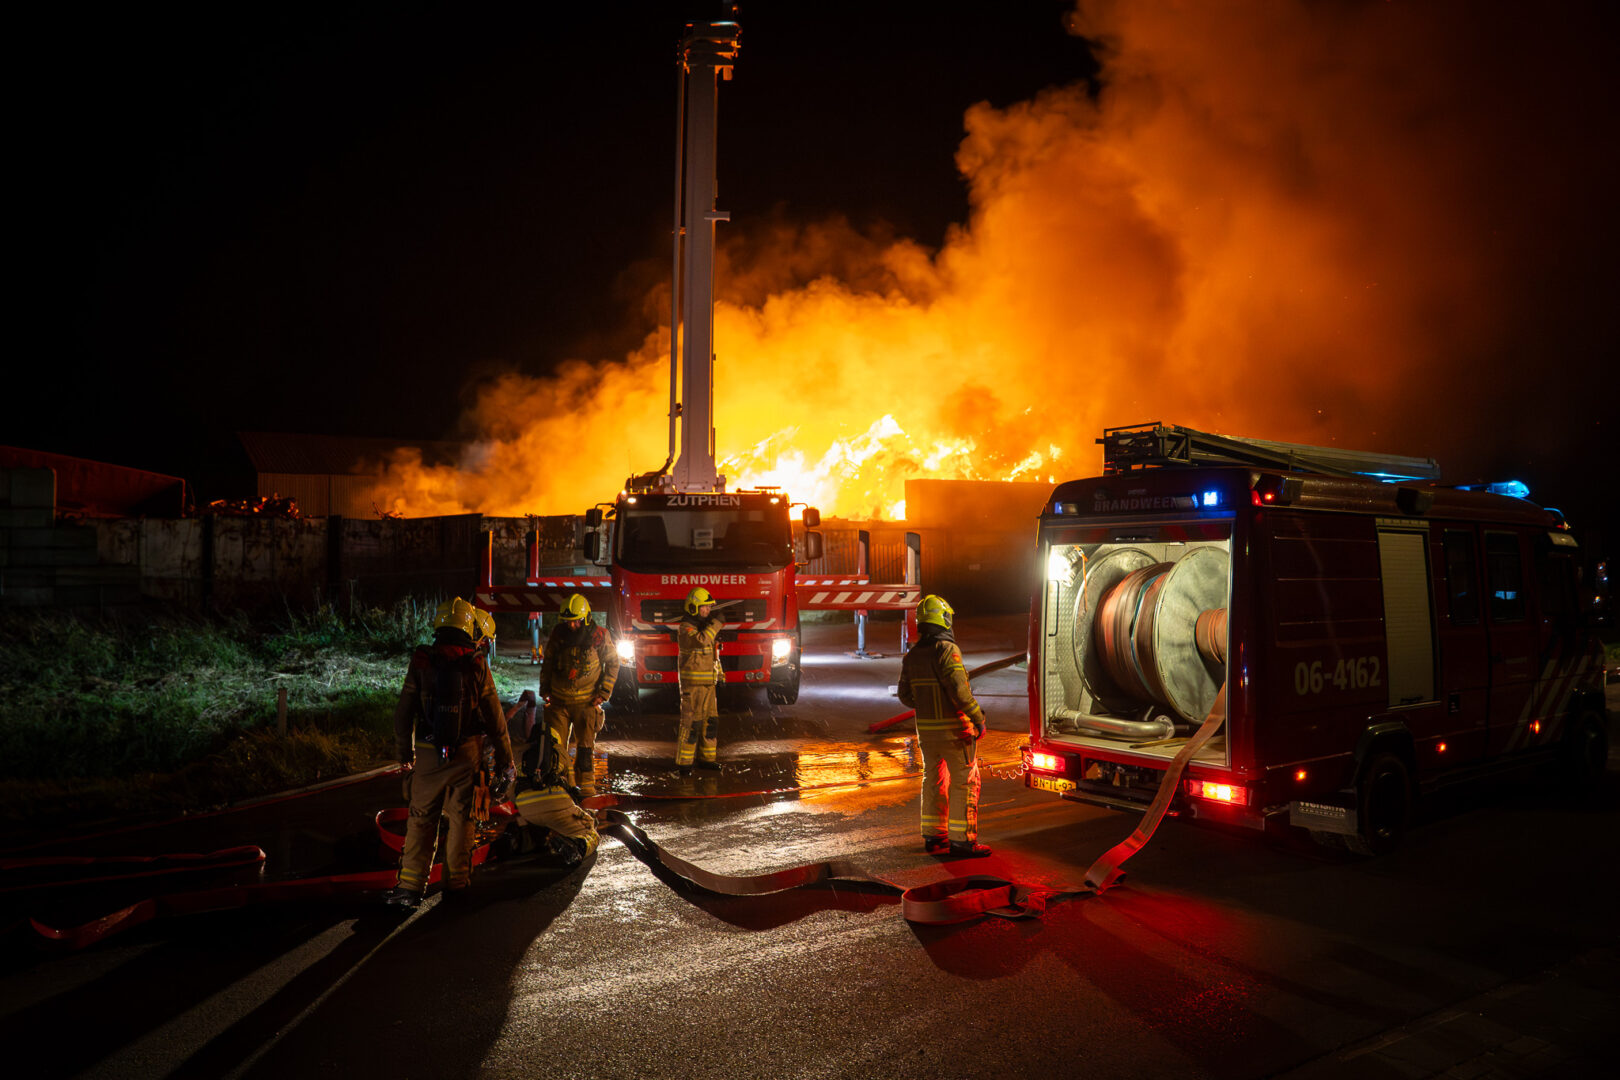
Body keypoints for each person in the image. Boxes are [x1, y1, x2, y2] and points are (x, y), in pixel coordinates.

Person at [384, 596, 516, 906]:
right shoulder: (476, 663)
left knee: (421, 817)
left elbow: (403, 713)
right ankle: (457, 882)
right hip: (466, 754)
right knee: (462, 818)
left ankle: (410, 887)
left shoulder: (422, 661)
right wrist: (506, 761)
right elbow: (496, 720)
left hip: (427, 752)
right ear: (468, 628)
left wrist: (404, 753)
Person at [897, 594, 990, 858]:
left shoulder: (912, 656)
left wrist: (927, 704)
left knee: (933, 780)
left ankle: (934, 836)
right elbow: (960, 692)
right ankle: (963, 841)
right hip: (954, 731)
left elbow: (905, 696)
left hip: (926, 733)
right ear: (944, 619)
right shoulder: (947, 650)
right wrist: (978, 718)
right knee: (964, 782)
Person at [539, 593, 619, 796]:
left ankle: (586, 790)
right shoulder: (559, 634)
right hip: (558, 703)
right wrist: (545, 689)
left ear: (586, 618)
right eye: (568, 621)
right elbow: (548, 662)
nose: (572, 625)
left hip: (586, 704)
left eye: (576, 621)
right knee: (556, 749)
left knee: (585, 750)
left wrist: (604, 692)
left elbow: (613, 663)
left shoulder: (599, 636)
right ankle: (560, 788)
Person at [511, 721, 600, 869]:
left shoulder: (519, 754)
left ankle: (534, 840)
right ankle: (575, 847)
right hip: (556, 806)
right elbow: (572, 788)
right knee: (590, 831)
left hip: (526, 811)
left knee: (539, 822)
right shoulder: (560, 751)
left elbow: (511, 793)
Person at [676, 586, 725, 773]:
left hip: (708, 685)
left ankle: (707, 759)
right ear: (693, 607)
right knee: (691, 724)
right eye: (704, 607)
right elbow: (701, 640)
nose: (708, 610)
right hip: (693, 687)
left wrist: (719, 675)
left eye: (709, 607)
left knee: (710, 723)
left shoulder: (704, 628)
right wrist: (716, 623)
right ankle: (684, 764)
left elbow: (713, 655)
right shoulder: (686, 628)